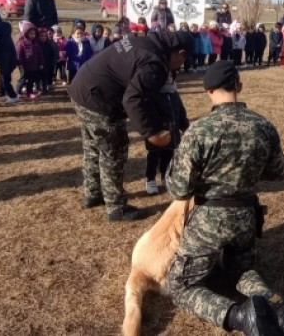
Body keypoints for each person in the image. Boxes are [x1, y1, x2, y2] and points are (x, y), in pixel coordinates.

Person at [165, 60, 284, 336]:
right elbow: (276, 173)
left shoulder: (200, 130)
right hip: (246, 218)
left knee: (180, 286)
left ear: (209, 90)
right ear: (238, 85)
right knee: (241, 269)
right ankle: (273, 307)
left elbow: (179, 188)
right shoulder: (264, 126)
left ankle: (240, 316)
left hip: (208, 222)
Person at [68, 30, 192, 222]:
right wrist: (152, 132)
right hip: (100, 99)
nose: (180, 66)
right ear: (181, 53)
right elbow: (134, 99)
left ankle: (93, 193)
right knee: (113, 152)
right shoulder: (154, 63)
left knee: (93, 147)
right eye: (183, 60)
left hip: (82, 89)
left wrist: (182, 122)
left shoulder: (145, 41)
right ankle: (117, 207)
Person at [144, 72, 189, 195]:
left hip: (172, 133)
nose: (169, 79)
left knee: (168, 156)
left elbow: (180, 110)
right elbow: (149, 114)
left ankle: (165, 177)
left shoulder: (174, 93)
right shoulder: (153, 94)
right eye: (166, 77)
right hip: (157, 133)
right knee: (154, 156)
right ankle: (150, 179)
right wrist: (154, 130)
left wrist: (184, 125)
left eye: (171, 77)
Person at [15, 23, 44, 99]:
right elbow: (18, 54)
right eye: (30, 33)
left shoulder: (35, 43)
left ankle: (29, 92)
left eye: (34, 33)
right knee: (23, 79)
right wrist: (20, 63)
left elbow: (39, 54)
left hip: (33, 65)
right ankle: (17, 92)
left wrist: (40, 63)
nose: (32, 35)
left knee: (31, 79)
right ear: (26, 33)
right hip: (24, 66)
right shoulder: (21, 43)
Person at [0, 21, 18, 103]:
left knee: (5, 80)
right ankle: (1, 93)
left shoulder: (3, 41)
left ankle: (13, 96)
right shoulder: (6, 38)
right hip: (8, 64)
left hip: (6, 65)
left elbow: (5, 56)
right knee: (2, 78)